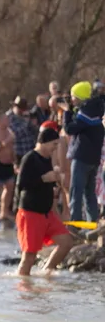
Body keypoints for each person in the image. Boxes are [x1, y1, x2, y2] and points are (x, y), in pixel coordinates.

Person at [16, 122, 76, 276]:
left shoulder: (46, 159)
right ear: (45, 142)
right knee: (29, 256)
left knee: (67, 242)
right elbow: (21, 185)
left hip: (47, 214)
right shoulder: (30, 158)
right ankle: (24, 291)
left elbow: (48, 185)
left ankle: (46, 272)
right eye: (54, 144)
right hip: (30, 213)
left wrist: (58, 207)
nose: (55, 148)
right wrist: (43, 178)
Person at [63, 81, 105, 223]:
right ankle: (92, 223)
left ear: (80, 97)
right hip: (93, 159)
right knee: (89, 193)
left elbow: (69, 129)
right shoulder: (95, 109)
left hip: (82, 158)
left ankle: (75, 223)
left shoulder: (86, 113)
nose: (72, 99)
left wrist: (67, 111)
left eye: (74, 97)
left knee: (76, 191)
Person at [8, 97, 37, 165]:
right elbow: (16, 134)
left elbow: (33, 132)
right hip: (18, 152)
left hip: (30, 150)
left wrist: (33, 125)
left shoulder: (26, 115)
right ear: (14, 107)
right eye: (20, 109)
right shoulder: (9, 118)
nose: (22, 111)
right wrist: (25, 121)